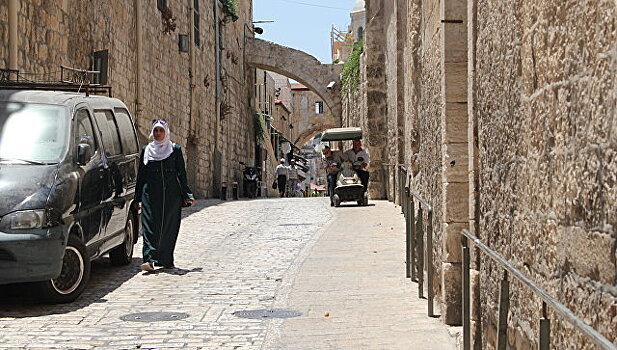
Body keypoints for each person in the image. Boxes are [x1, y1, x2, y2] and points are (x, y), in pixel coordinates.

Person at [134, 120, 195, 271]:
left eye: (161, 131)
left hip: (171, 194)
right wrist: (137, 198)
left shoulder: (174, 150)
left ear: (166, 132)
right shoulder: (147, 150)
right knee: (149, 226)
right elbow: (141, 175)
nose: (158, 134)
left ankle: (166, 259)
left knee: (169, 226)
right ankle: (149, 259)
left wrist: (187, 193)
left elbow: (181, 174)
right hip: (150, 193)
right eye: (156, 131)